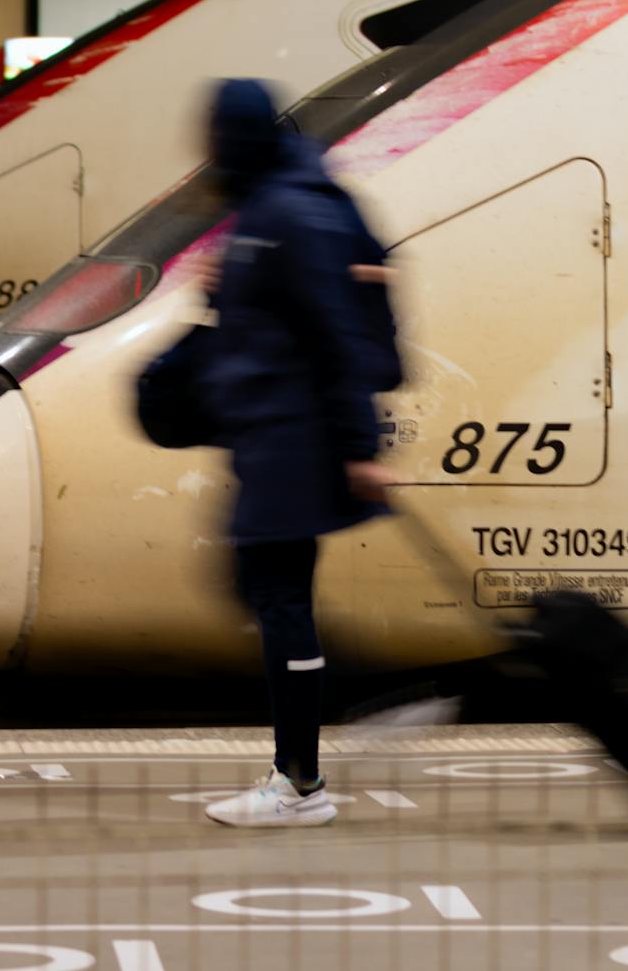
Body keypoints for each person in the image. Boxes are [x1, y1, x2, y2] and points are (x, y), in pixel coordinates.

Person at [195, 78, 404, 827]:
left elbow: (334, 331)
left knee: (276, 596)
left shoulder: (289, 210)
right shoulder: (268, 205)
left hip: (297, 439)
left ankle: (303, 782)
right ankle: (353, 720)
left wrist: (359, 445)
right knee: (257, 587)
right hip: (273, 438)